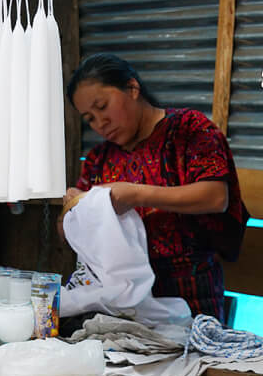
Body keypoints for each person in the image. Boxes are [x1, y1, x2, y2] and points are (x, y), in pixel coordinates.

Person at [65, 53, 247, 320]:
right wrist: (76, 206)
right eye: (89, 118)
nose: (99, 123)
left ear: (133, 88)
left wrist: (134, 193)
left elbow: (215, 196)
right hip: (120, 297)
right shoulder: (98, 158)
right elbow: (69, 231)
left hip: (189, 293)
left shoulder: (189, 130)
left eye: (102, 106)